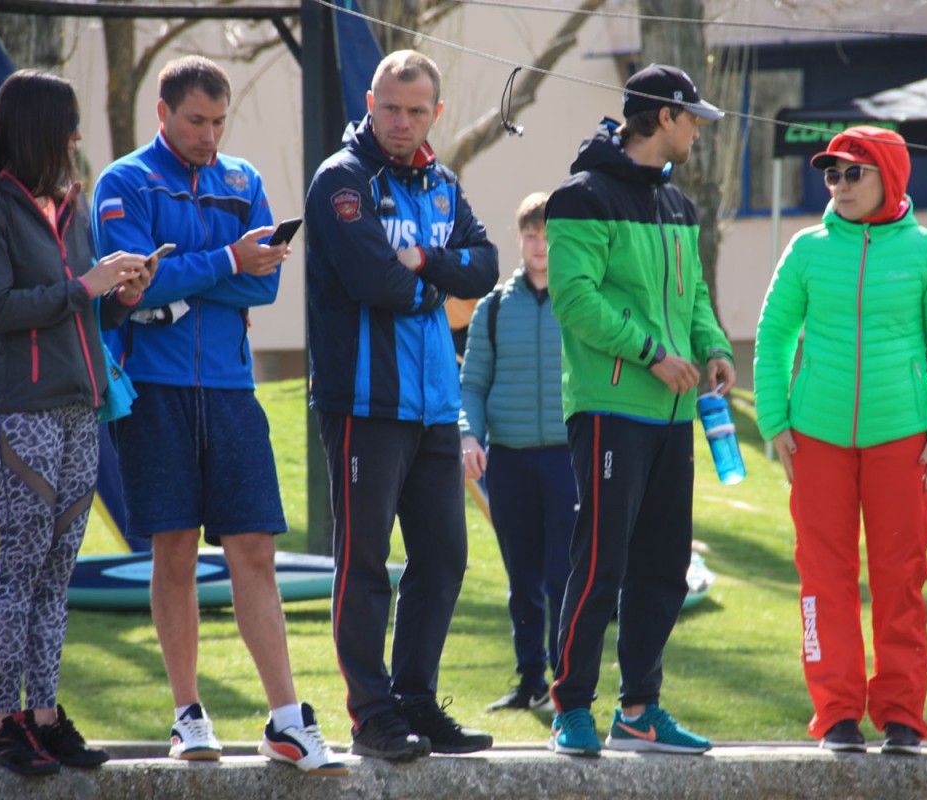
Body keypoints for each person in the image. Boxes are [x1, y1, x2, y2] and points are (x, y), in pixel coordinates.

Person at [92, 55, 345, 775]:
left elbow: (265, 288)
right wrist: (227, 262)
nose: (209, 135)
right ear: (163, 114)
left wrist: (192, 275)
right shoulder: (124, 182)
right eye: (195, 121)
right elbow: (133, 288)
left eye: (218, 122)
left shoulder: (244, 181)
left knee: (254, 551)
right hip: (151, 390)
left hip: (233, 391)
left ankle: (287, 722)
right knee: (172, 552)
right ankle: (188, 716)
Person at [0, 70, 151, 776]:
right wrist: (81, 287)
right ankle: (4, 727)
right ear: (38, 127)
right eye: (68, 124)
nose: (76, 137)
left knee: (57, 574)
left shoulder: (72, 203)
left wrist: (120, 295)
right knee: (21, 569)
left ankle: (44, 717)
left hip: (80, 408)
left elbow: (85, 307)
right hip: (22, 412)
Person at [304, 50, 499, 761]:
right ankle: (371, 715)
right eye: (391, 107)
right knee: (363, 563)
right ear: (370, 102)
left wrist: (424, 264)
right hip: (364, 405)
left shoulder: (442, 183)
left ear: (435, 114)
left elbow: (487, 265)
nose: (402, 121)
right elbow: (375, 282)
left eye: (417, 111)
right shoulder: (341, 180)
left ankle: (416, 700)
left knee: (444, 558)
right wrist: (438, 281)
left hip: (434, 406)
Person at [754, 125, 927, 755]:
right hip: (816, 440)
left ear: (890, 177)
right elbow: (772, 336)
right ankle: (837, 714)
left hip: (903, 442)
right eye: (833, 174)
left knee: (900, 580)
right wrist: (775, 422)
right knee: (824, 578)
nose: (840, 185)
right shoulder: (806, 249)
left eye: (854, 172)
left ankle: (902, 715)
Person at [544, 64, 731, 757]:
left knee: (664, 567)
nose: (698, 133)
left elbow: (695, 296)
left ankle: (640, 711)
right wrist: (652, 352)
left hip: (673, 415)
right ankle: (570, 706)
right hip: (609, 408)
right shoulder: (580, 197)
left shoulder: (677, 204)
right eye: (693, 120)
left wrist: (713, 347)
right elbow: (575, 300)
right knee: (600, 563)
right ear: (665, 117)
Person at [459, 191, 575, 714]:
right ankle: (531, 683)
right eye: (531, 235)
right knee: (522, 580)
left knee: (562, 576)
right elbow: (472, 385)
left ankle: (566, 686)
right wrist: (469, 436)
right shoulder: (493, 308)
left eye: (548, 236)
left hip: (567, 460)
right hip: (508, 462)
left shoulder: (580, 303)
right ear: (520, 239)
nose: (540, 245)